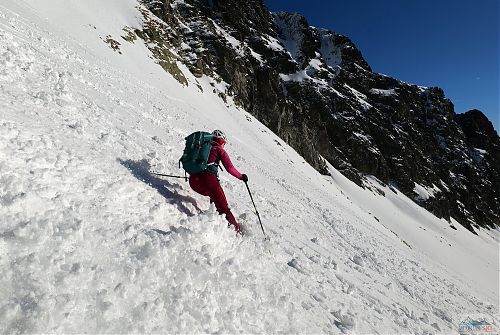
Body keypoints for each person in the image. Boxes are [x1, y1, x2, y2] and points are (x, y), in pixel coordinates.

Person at [189, 130, 248, 234]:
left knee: (214, 196)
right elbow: (229, 168)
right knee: (224, 207)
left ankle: (215, 218)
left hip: (193, 181)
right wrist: (241, 176)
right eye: (224, 143)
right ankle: (237, 232)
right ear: (222, 141)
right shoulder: (219, 150)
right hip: (209, 180)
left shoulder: (201, 147)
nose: (224, 145)